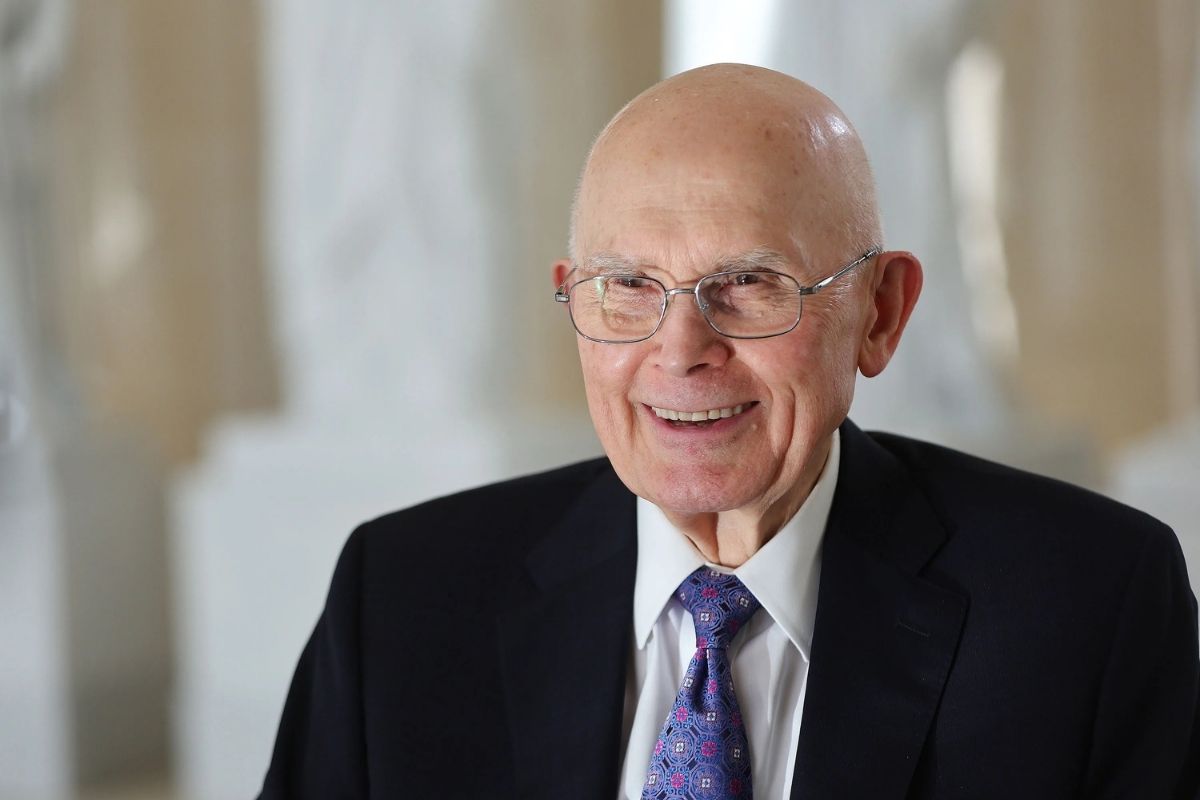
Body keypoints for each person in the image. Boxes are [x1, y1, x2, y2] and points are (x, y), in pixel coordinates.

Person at [257, 64, 1199, 799]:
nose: (680, 350)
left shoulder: (1090, 609)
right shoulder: (403, 600)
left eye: (748, 284)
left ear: (879, 313)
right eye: (627, 286)